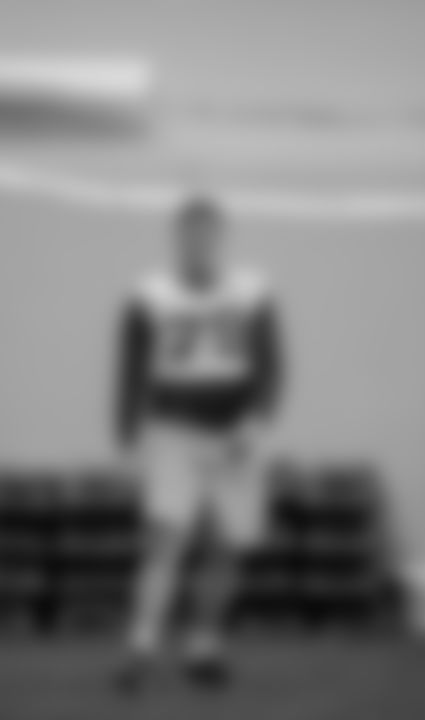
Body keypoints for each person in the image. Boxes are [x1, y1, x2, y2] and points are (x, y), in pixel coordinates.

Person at [112, 193, 285, 693]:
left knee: (226, 544)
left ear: (220, 237)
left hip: (235, 431)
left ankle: (203, 644)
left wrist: (257, 420)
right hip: (173, 426)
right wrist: (127, 436)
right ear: (177, 237)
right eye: (190, 233)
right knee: (165, 536)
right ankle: (141, 646)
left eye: (207, 233)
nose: (199, 243)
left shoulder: (253, 292)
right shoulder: (148, 295)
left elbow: (272, 365)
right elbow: (130, 370)